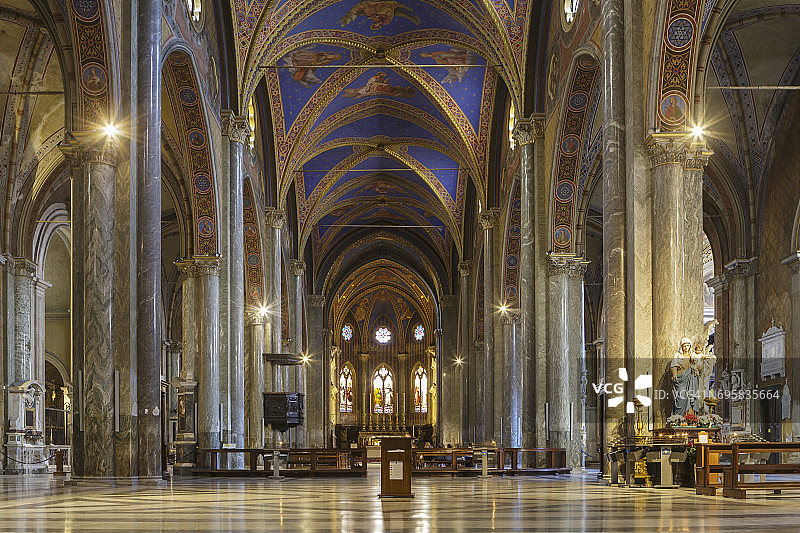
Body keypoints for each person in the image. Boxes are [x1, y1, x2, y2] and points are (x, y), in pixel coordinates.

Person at [671, 338, 701, 416]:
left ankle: (690, 417)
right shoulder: (678, 355)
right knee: (681, 397)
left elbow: (698, 366)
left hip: (691, 379)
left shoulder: (692, 355)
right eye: (684, 346)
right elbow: (674, 365)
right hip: (681, 379)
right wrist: (674, 375)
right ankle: (679, 418)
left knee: (691, 397)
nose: (686, 347)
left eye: (688, 345)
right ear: (681, 347)